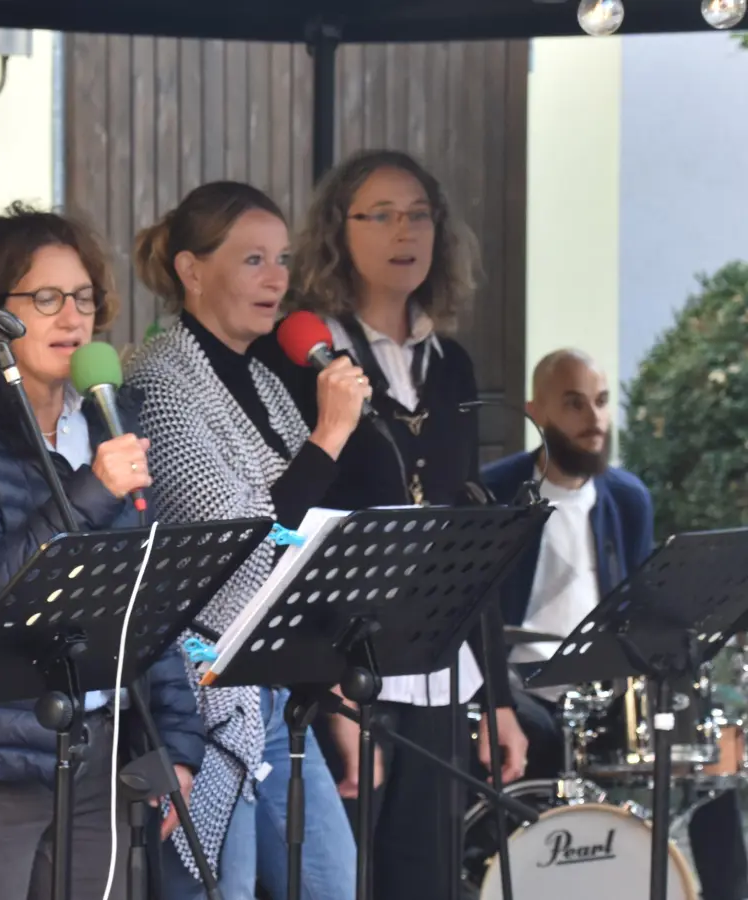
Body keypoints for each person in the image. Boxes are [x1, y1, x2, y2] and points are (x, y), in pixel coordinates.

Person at [0, 204, 203, 900]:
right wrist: (91, 490)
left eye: (85, 298)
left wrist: (177, 744)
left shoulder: (108, 419)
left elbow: (146, 593)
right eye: (46, 298)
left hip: (98, 753)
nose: (72, 317)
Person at [265, 148, 528, 900]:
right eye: (378, 214)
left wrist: (499, 697)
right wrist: (332, 693)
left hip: (441, 662)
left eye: (418, 213)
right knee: (350, 879)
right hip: (345, 670)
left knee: (429, 877)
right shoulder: (307, 360)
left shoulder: (451, 366)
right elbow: (292, 529)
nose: (403, 231)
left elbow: (465, 534)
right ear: (337, 232)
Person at [125, 181, 363, 900]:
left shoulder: (265, 377)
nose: (277, 278)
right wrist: (329, 435)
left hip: (272, 683)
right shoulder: (157, 378)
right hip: (201, 695)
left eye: (283, 259)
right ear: (192, 271)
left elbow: (302, 539)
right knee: (215, 889)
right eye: (253, 258)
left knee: (333, 881)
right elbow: (236, 538)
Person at [483, 348, 748, 900]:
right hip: (519, 686)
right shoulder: (497, 489)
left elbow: (643, 605)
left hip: (608, 688)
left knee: (708, 764)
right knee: (546, 740)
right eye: (574, 404)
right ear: (538, 411)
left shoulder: (627, 497)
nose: (594, 419)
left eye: (601, 402)